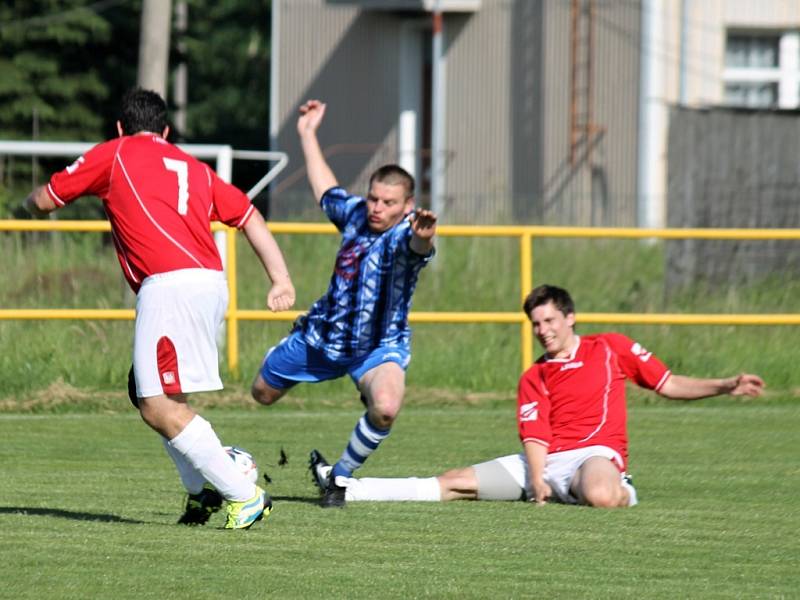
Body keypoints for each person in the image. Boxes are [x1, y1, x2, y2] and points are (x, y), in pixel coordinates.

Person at [24, 88, 296, 529]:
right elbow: (250, 216)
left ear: (119, 127)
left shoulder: (115, 153)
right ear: (166, 131)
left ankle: (242, 492)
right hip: (207, 283)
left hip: (170, 287)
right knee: (158, 398)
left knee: (157, 406)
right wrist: (281, 279)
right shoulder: (194, 168)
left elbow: (47, 199)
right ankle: (201, 493)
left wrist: (22, 204)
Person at [308, 284, 765, 508]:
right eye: (536, 325)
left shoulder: (611, 348)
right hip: (543, 461)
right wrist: (540, 479)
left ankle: (622, 490)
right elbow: (535, 434)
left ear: (569, 318)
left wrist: (724, 384)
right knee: (452, 482)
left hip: (595, 456)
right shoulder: (535, 376)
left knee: (602, 495)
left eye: (549, 321)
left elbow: (668, 384)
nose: (543, 331)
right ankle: (346, 485)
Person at [250, 99, 438, 508]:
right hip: (321, 338)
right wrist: (307, 134)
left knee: (386, 407)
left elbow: (419, 245)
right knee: (261, 394)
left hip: (377, 347)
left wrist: (424, 235)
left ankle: (338, 477)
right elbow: (326, 190)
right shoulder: (356, 215)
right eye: (374, 198)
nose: (377, 207)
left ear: (407, 207)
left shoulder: (403, 237)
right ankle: (282, 352)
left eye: (388, 203)